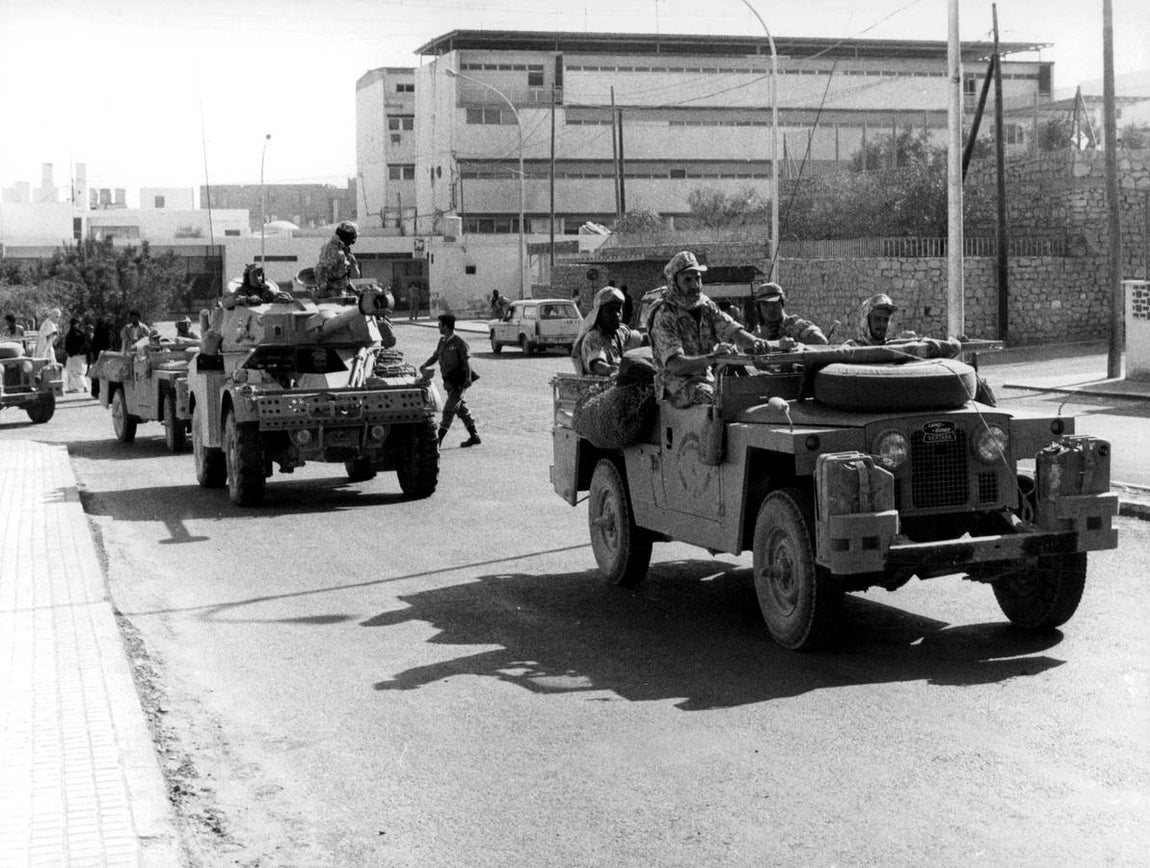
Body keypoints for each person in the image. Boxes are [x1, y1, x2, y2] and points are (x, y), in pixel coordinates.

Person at [647, 251, 772, 408]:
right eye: (687, 280)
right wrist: (713, 357)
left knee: (755, 391)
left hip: (706, 379)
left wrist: (757, 343)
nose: (695, 285)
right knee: (720, 402)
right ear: (674, 283)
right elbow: (676, 365)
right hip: (676, 388)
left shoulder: (706, 307)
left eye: (698, 278)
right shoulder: (665, 314)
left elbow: (733, 330)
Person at [419, 313, 481, 448]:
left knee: (448, 410)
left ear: (446, 326)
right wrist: (424, 365)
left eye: (440, 325)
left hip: (460, 381)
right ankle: (474, 436)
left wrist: (468, 378)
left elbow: (466, 361)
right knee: (461, 409)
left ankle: (437, 441)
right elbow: (435, 356)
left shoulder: (459, 341)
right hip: (449, 382)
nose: (438, 327)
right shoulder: (442, 341)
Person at [571, 286, 646, 377]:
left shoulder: (619, 332)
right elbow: (597, 364)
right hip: (599, 387)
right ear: (599, 313)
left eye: (618, 309)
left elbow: (639, 337)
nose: (617, 314)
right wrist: (612, 370)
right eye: (610, 310)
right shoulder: (594, 337)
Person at [751, 282, 828, 345]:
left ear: (782, 303)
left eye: (774, 303)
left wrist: (795, 344)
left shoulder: (797, 326)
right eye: (765, 305)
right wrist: (757, 340)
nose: (771, 309)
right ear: (759, 308)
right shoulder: (758, 333)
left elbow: (821, 341)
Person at [847, 293, 917, 346]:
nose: (882, 324)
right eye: (877, 319)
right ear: (866, 322)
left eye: (886, 320)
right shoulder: (851, 348)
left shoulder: (893, 346)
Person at [315, 220, 360, 298]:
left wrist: (355, 291)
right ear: (347, 236)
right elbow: (321, 270)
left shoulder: (342, 250)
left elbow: (341, 277)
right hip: (330, 296)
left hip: (338, 294)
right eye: (352, 237)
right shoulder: (333, 249)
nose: (353, 240)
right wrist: (323, 290)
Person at [63, 317, 89, 393]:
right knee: (77, 372)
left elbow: (79, 344)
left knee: (74, 372)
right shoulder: (80, 333)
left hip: (75, 355)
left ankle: (75, 388)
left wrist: (73, 352)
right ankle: (82, 387)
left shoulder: (76, 334)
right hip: (78, 355)